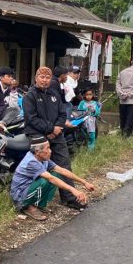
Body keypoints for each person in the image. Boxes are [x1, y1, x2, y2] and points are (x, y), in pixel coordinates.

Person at [23, 66, 86, 210]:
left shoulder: (54, 94)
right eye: (42, 77)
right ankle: (31, 202)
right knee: (38, 168)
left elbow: (62, 114)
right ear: (36, 78)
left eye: (47, 77)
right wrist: (50, 129)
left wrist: (56, 129)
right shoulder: (30, 96)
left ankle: (69, 198)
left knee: (64, 163)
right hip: (37, 134)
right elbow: (31, 119)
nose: (44, 80)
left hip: (56, 134)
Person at [10, 136, 96, 220]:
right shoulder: (31, 162)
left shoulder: (43, 158)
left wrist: (84, 182)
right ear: (37, 151)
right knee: (45, 180)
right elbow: (51, 179)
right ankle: (27, 206)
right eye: (47, 148)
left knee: (56, 174)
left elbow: (62, 170)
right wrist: (73, 190)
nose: (50, 151)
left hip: (29, 188)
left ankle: (38, 204)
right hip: (20, 196)